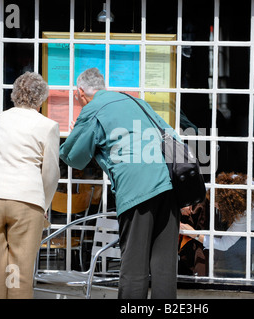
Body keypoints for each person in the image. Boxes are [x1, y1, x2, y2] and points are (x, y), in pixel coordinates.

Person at [59, 68, 180, 299]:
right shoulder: (137, 102)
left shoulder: (94, 109)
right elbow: (174, 136)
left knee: (134, 265)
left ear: (80, 92)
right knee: (164, 267)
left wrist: (76, 133)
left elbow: (74, 157)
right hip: (169, 185)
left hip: (137, 189)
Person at [0, 72, 60, 299]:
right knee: (19, 271)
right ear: (41, 99)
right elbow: (51, 172)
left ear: (14, 95)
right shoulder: (48, 125)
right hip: (26, 197)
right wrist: (44, 205)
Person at [180, 171, 254, 253]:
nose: (213, 206)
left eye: (216, 204)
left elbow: (224, 245)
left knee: (227, 254)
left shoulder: (246, 214)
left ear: (228, 205)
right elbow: (211, 187)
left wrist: (194, 234)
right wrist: (188, 200)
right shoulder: (235, 182)